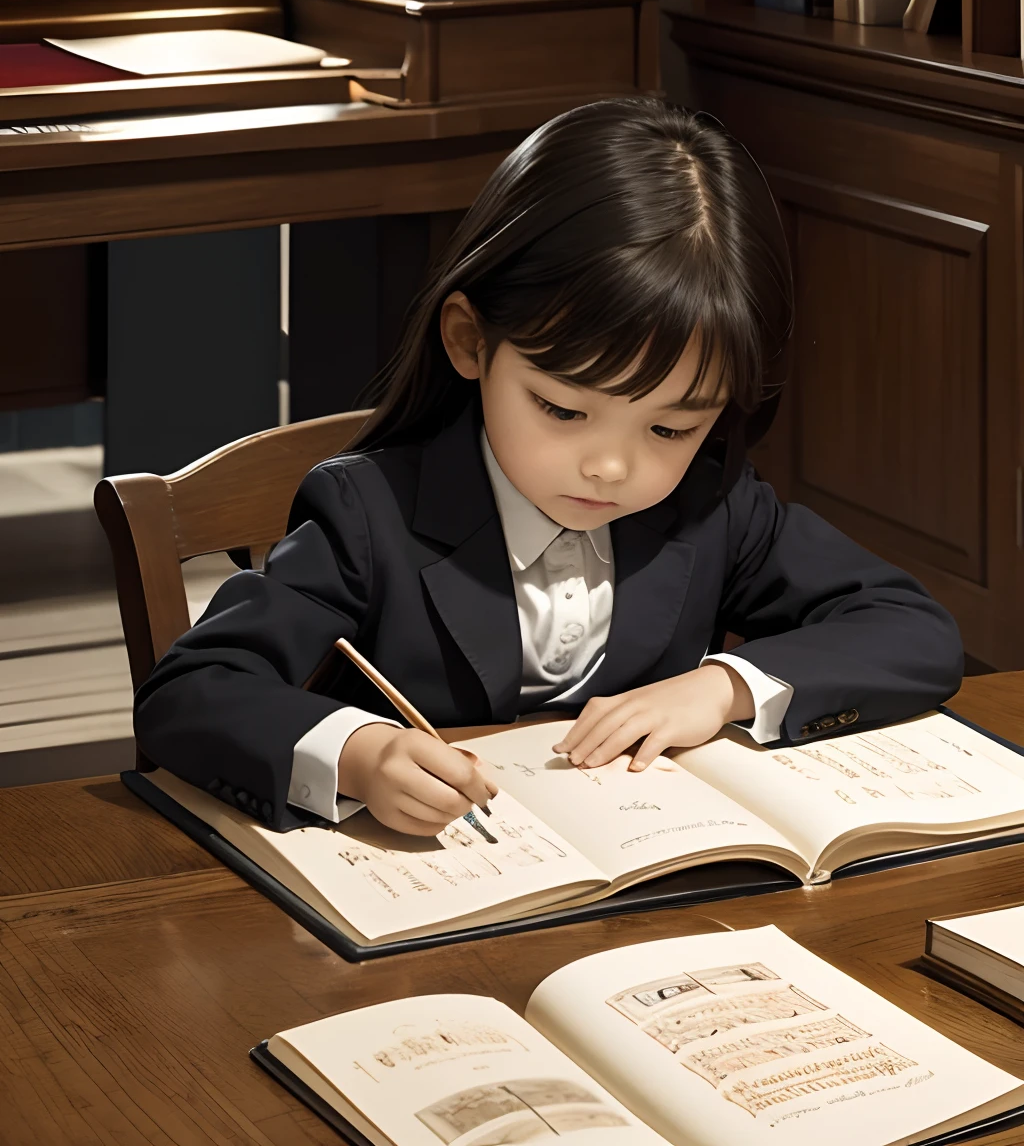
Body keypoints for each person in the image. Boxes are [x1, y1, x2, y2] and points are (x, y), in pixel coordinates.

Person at [133, 98, 962, 836]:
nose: (610, 466)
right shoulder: (368, 512)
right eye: (563, 410)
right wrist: (359, 752)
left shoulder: (715, 507)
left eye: (672, 428)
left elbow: (914, 631)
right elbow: (192, 690)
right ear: (469, 342)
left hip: (652, 886)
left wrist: (724, 687)